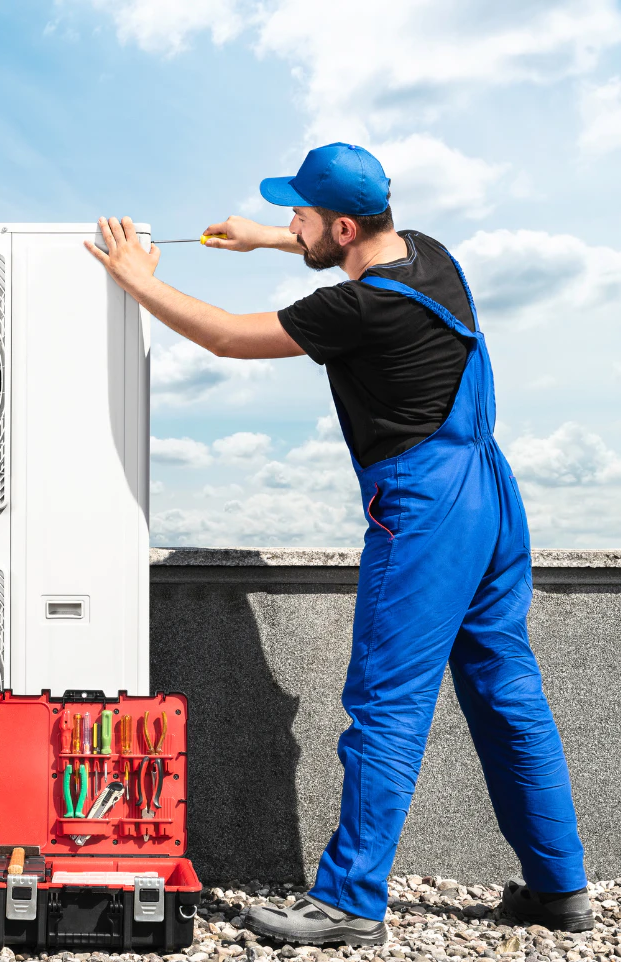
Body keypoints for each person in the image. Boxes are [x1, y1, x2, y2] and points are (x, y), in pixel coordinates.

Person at [84, 142, 593, 947]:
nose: (294, 222)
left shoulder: (356, 311)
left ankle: (350, 900)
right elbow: (337, 252)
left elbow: (224, 336)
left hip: (425, 511)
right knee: (509, 696)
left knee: (386, 706)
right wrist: (264, 238)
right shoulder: (430, 257)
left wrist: (139, 280)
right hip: (492, 498)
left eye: (303, 215)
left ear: (345, 224)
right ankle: (561, 888)